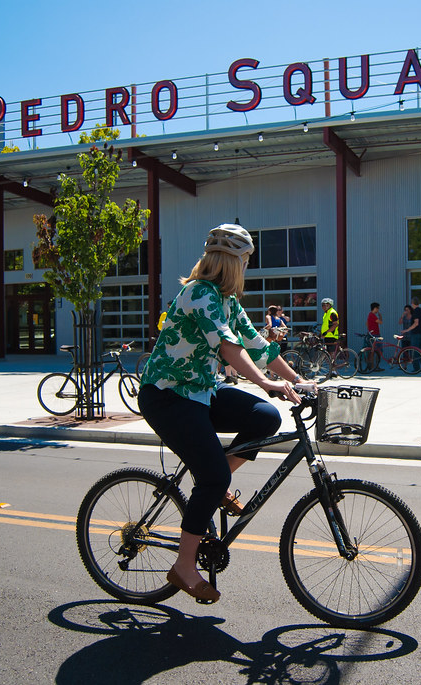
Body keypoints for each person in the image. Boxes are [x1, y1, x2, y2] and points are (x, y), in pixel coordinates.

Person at [137, 224, 314, 604]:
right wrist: (265, 383)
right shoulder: (199, 294)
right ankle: (184, 566)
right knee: (213, 476)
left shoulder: (227, 301)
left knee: (265, 417)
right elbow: (230, 349)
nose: (247, 268)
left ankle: (214, 485)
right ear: (233, 263)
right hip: (166, 396)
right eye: (246, 261)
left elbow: (259, 346)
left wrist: (299, 380)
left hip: (201, 392)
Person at [408, 297, 421, 371]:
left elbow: (416, 323)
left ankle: (416, 368)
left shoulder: (415, 312)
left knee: (415, 351)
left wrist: (407, 329)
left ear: (412, 303)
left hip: (415, 334)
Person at [365, 302, 384, 371]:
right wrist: (380, 316)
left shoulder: (369, 315)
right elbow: (380, 322)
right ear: (375, 308)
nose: (378, 310)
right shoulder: (372, 315)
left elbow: (366, 323)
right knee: (376, 351)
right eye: (378, 308)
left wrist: (369, 330)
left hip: (373, 334)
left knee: (374, 351)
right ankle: (374, 366)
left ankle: (373, 366)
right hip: (375, 335)